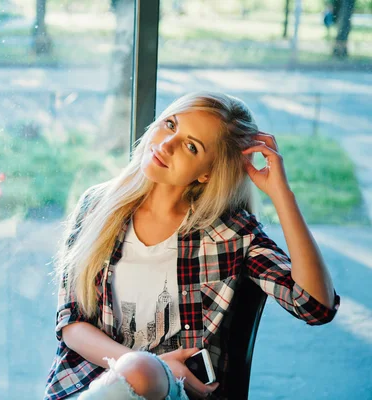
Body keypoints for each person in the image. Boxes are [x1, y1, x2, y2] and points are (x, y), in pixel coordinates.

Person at [44, 92, 340, 400]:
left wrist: (282, 196)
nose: (166, 144)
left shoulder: (231, 235)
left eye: (190, 146)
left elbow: (315, 307)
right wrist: (150, 366)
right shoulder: (96, 207)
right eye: (170, 124)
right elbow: (71, 323)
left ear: (207, 172)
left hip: (183, 393)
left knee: (142, 370)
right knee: (140, 369)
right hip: (91, 384)